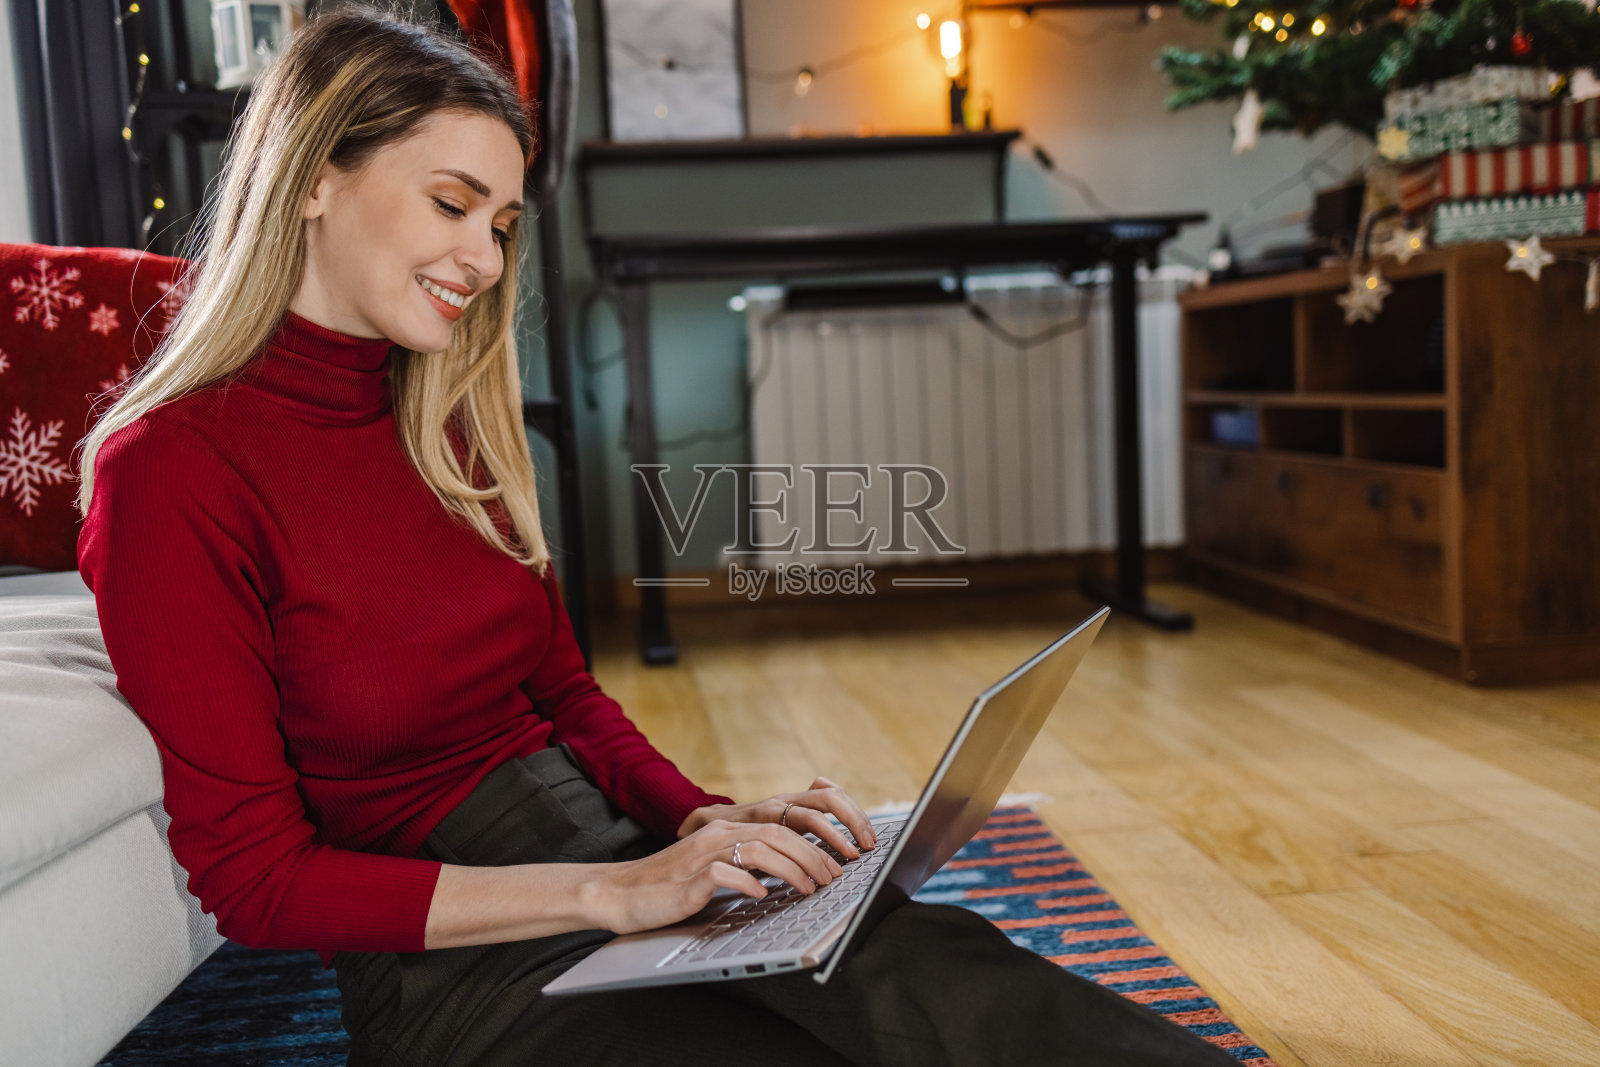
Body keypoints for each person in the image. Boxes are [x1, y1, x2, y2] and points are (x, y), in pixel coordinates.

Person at [76, 6, 1243, 1066]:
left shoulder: (442, 422)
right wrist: (611, 893)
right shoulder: (172, 474)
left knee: (931, 966)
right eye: (450, 204)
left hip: (613, 844)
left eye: (500, 222)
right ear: (316, 175)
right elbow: (258, 881)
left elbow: (565, 695)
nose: (483, 262)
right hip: (460, 961)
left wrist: (698, 821)